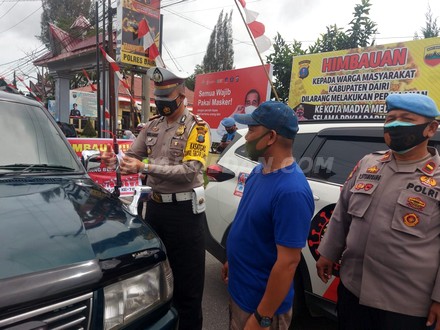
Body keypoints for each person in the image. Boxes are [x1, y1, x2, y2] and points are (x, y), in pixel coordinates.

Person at [316, 93, 440, 330]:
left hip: (406, 304)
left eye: (406, 118)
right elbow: (342, 213)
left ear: (431, 128)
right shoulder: (368, 163)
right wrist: (328, 253)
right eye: (391, 117)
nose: (395, 124)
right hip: (353, 289)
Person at [101, 67, 211, 330]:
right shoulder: (151, 125)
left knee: (188, 289)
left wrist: (144, 168)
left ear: (182, 95)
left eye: (167, 96)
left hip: (185, 213)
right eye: (158, 96)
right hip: (156, 211)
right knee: (154, 281)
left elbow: (189, 172)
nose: (162, 101)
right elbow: (134, 156)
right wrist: (116, 160)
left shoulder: (198, 128)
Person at [221, 101, 314, 329]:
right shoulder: (258, 171)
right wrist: (231, 260)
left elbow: (288, 262)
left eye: (252, 130)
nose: (246, 137)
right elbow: (250, 226)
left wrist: (262, 317)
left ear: (271, 137)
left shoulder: (291, 190)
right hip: (240, 290)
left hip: (260, 307)